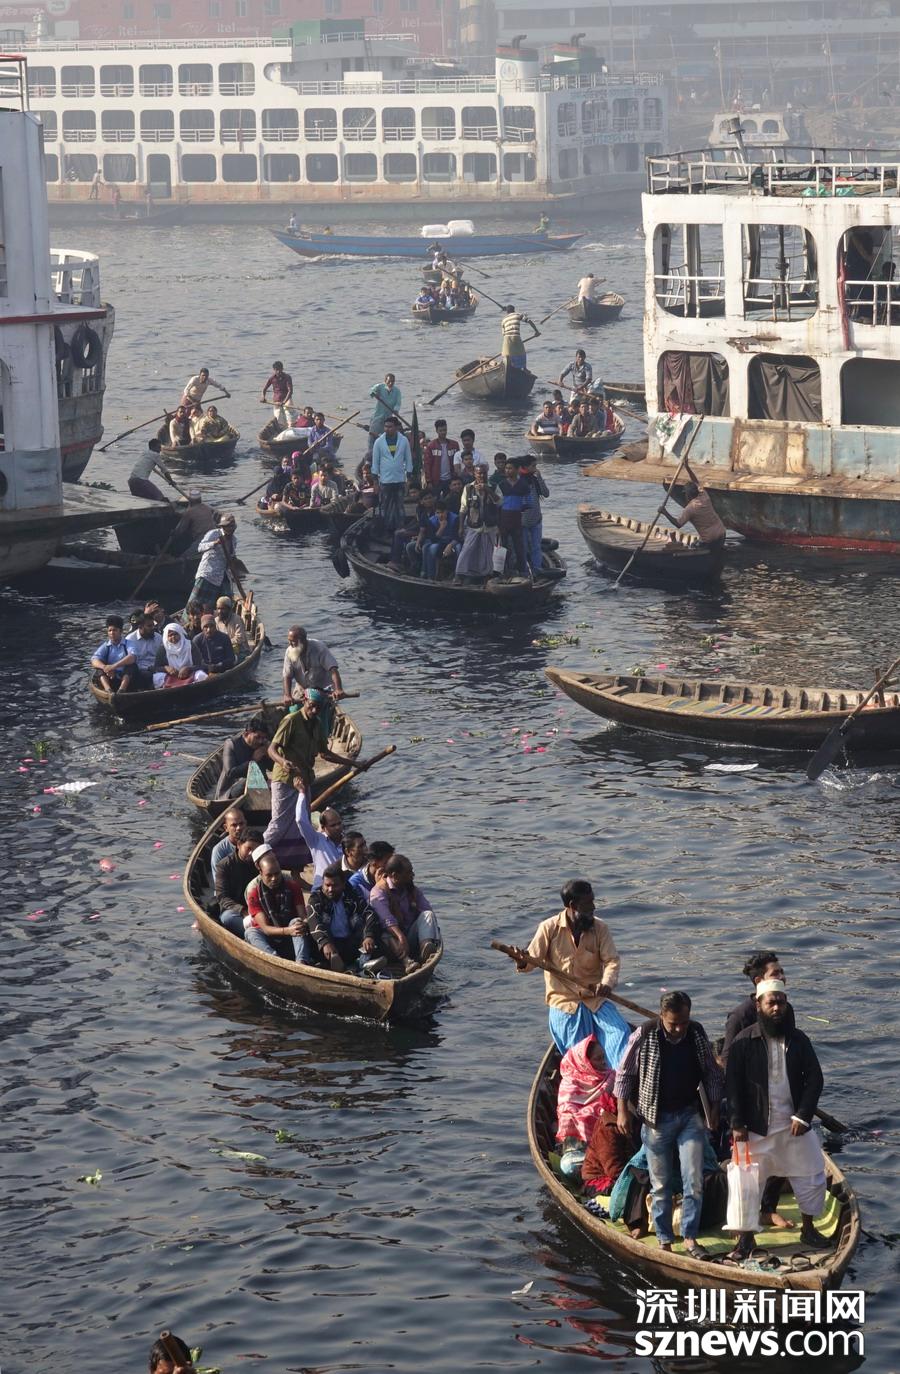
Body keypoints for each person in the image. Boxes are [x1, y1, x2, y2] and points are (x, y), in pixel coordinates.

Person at [726, 980, 830, 1259]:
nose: (776, 1008)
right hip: (755, 1127)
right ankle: (745, 1239)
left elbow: (815, 1079)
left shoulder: (799, 1040)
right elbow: (732, 1086)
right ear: (758, 1005)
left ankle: (809, 1229)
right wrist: (737, 1124)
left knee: (812, 1174)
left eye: (781, 1002)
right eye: (770, 1002)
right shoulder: (743, 1042)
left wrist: (804, 1116)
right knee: (745, 1183)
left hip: (793, 1125)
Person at [614, 991, 723, 1258]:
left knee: (694, 1180)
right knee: (661, 1185)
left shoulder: (696, 1033)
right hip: (656, 1119)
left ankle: (690, 1238)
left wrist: (714, 1108)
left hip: (689, 1115)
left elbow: (711, 1073)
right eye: (673, 1023)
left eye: (683, 1022)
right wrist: (622, 1112)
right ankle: (664, 1240)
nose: (678, 1029)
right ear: (662, 1016)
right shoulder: (644, 1034)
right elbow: (624, 1074)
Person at [509, 879, 631, 1063]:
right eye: (588, 903)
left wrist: (606, 984)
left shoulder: (600, 928)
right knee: (582, 1054)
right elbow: (531, 961)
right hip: (565, 1003)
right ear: (573, 906)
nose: (594, 907)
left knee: (621, 1034)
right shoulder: (549, 928)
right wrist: (521, 961)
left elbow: (612, 961)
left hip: (595, 999)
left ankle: (619, 1077)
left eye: (593, 901)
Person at [263, 689, 365, 869]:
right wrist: (283, 761)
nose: (315, 710)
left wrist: (352, 763)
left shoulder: (317, 724)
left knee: (301, 826)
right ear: (304, 701)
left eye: (319, 708)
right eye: (312, 706)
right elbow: (271, 749)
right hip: (285, 779)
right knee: (279, 824)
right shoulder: (291, 720)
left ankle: (294, 867)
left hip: (304, 779)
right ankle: (256, 854)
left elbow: (325, 754)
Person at [306, 863, 384, 974]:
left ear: (343, 884)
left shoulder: (351, 894)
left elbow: (370, 913)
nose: (330, 889)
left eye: (335, 885)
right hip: (330, 945)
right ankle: (358, 968)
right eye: (327, 885)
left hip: (350, 943)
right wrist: (325, 942)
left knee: (372, 933)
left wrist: (369, 936)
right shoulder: (316, 898)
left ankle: (360, 964)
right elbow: (313, 920)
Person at [556, 1035, 615, 1176]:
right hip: (576, 1148)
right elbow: (565, 1109)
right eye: (598, 1059)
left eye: (603, 1057)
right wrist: (581, 1116)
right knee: (568, 1166)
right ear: (585, 1063)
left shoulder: (611, 1078)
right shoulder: (570, 1083)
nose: (603, 1062)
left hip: (606, 1144)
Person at [369, 854, 440, 972]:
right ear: (395, 875)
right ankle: (407, 962)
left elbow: (426, 909)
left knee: (428, 915)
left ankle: (425, 949)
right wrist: (401, 937)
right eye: (408, 873)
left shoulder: (412, 890)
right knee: (385, 933)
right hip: (390, 941)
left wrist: (431, 930)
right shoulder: (379, 891)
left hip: (410, 935)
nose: (412, 875)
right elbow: (386, 920)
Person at [245, 851, 313, 963]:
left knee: (296, 921)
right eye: (269, 875)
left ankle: (301, 962)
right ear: (261, 873)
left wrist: (304, 923)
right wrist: (287, 931)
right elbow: (266, 929)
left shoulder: (293, 887)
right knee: (250, 933)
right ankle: (275, 960)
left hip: (292, 936)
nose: (274, 878)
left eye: (277, 874)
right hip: (271, 937)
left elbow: (302, 915)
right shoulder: (254, 894)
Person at [658, 463, 727, 553]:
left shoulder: (690, 508)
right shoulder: (704, 495)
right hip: (722, 534)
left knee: (693, 545)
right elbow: (695, 480)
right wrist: (687, 467)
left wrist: (665, 512)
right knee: (698, 542)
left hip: (710, 541)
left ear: (687, 495)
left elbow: (678, 524)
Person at [455, 463, 499, 582]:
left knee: (487, 552)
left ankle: (485, 576)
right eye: (479, 473)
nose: (482, 476)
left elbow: (500, 502)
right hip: (473, 526)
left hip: (489, 526)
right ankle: (459, 575)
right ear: (475, 474)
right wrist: (461, 527)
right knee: (467, 550)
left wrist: (487, 490)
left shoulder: (494, 486)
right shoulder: (468, 488)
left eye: (484, 473)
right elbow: (463, 509)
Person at [282, 625, 344, 709]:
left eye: (293, 641)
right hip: (302, 689)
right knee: (293, 709)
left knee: (322, 710)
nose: (290, 644)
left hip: (323, 690)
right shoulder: (289, 651)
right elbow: (287, 676)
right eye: (289, 641)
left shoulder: (319, 647)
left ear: (302, 640)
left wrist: (338, 689)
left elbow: (333, 670)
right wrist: (287, 695)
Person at [214, 831, 262, 937]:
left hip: (259, 907)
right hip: (235, 910)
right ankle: (256, 935)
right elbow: (222, 897)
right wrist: (243, 910)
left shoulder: (261, 864)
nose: (251, 853)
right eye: (248, 848)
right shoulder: (224, 866)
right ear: (239, 845)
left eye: (255, 850)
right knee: (228, 918)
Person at [371, 415, 413, 532]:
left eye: (390, 427)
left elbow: (408, 460)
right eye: (385, 426)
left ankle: (400, 528)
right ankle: (387, 529)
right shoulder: (379, 442)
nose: (387, 429)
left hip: (400, 479)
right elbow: (375, 463)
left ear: (396, 427)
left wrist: (408, 478)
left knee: (400, 506)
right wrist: (375, 482)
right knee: (386, 506)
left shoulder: (403, 440)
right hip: (385, 480)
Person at [215, 718, 270, 800]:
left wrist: (270, 754)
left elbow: (271, 767)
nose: (260, 741)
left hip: (259, 788)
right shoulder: (232, 744)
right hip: (230, 791)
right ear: (246, 734)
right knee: (249, 781)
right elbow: (230, 773)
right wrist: (253, 760)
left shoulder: (262, 746)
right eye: (257, 737)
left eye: (263, 738)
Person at [191, 514, 239, 606]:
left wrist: (233, 560)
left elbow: (231, 557)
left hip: (223, 575)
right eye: (227, 526)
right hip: (208, 574)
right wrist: (215, 543)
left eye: (231, 526)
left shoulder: (234, 540)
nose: (230, 529)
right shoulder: (214, 534)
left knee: (226, 603)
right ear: (223, 527)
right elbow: (200, 548)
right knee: (196, 604)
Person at [497, 458, 532, 578]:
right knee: (503, 546)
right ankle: (503, 571)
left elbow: (529, 502)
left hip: (517, 519)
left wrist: (520, 510)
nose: (507, 470)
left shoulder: (523, 485)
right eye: (506, 468)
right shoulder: (501, 485)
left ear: (517, 470)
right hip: (503, 519)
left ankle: (522, 571)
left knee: (519, 546)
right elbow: (497, 503)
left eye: (510, 468)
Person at [152, 622, 207, 690]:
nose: (173, 637)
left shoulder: (190, 645)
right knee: (157, 677)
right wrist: (166, 668)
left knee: (201, 675)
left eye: (175, 634)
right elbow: (156, 667)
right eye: (170, 635)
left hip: (190, 674)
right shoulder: (163, 648)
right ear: (166, 637)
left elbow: (200, 665)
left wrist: (188, 668)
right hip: (172, 676)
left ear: (180, 633)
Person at [91, 614, 135, 694]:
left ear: (120, 631)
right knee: (99, 669)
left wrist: (113, 666)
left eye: (114, 630)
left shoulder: (128, 643)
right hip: (111, 677)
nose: (112, 633)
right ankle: (108, 690)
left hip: (126, 679)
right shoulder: (106, 646)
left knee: (131, 667)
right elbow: (94, 660)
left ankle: (121, 691)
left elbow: (132, 657)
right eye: (110, 631)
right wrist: (105, 667)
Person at [521, 457, 549, 576]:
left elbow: (546, 493)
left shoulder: (535, 479)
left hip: (536, 519)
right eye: (533, 466)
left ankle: (537, 570)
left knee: (536, 547)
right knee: (523, 547)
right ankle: (525, 572)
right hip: (522, 522)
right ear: (526, 467)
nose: (535, 468)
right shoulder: (518, 480)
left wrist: (540, 478)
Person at [421, 498, 459, 580]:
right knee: (432, 548)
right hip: (440, 543)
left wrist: (450, 546)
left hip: (453, 542)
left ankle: (458, 575)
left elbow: (458, 537)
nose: (440, 515)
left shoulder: (455, 518)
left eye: (442, 512)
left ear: (446, 511)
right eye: (438, 513)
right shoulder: (432, 521)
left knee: (459, 548)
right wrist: (441, 528)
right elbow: (433, 539)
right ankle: (431, 576)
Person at [170, 490, 217, 556]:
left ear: (190, 501)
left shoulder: (189, 512)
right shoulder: (207, 508)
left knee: (185, 556)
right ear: (200, 499)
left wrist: (173, 533)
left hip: (203, 539)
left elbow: (181, 530)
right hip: (215, 535)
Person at [125, 613, 163, 690]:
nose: (153, 628)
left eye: (153, 625)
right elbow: (131, 662)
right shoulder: (130, 639)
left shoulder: (158, 637)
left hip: (157, 668)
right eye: (149, 626)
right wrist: (147, 669)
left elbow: (162, 657)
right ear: (140, 627)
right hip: (140, 671)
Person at [367, 372, 402, 453]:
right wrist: (374, 393)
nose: (391, 383)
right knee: (372, 435)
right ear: (385, 381)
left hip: (388, 418)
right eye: (389, 381)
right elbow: (371, 390)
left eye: (392, 381)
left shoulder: (397, 391)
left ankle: (385, 452)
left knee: (385, 437)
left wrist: (396, 410)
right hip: (377, 416)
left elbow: (398, 403)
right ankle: (370, 453)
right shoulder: (380, 386)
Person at [423, 419, 459, 493]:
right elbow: (427, 465)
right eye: (441, 430)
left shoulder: (454, 445)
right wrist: (429, 481)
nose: (443, 432)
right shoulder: (431, 446)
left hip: (450, 479)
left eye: (445, 430)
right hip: (436, 480)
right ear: (436, 431)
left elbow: (458, 462)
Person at [500, 305, 540, 370]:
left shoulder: (504, 319)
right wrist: (536, 331)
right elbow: (529, 321)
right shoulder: (518, 314)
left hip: (506, 338)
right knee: (521, 353)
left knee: (506, 354)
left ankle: (508, 367)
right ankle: (524, 368)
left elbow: (503, 333)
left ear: (507, 312)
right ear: (514, 310)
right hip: (515, 336)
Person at [210, 806, 247, 873]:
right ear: (226, 828)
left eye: (241, 823)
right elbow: (218, 877)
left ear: (245, 823)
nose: (239, 828)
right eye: (234, 825)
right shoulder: (219, 851)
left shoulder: (254, 843)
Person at [261, 360, 294, 427]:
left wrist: (284, 402)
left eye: (280, 369)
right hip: (277, 401)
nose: (278, 371)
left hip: (287, 399)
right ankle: (282, 428)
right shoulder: (272, 378)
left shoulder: (287, 377)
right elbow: (264, 389)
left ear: (282, 369)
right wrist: (263, 397)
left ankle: (291, 426)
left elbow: (290, 391)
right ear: (274, 370)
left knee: (288, 413)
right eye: (276, 370)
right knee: (278, 416)